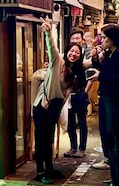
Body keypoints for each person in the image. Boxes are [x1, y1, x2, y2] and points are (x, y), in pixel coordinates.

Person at [32, 17, 85, 184]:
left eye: (77, 53)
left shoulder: (74, 73)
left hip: (53, 109)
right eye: (72, 51)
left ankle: (49, 168)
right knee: (41, 140)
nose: (74, 54)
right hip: (42, 106)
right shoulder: (58, 62)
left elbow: (66, 94)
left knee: (49, 140)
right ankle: (40, 172)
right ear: (67, 50)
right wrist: (48, 31)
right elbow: (51, 46)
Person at [88, 24, 119, 186]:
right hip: (107, 100)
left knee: (115, 140)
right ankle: (115, 177)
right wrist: (96, 59)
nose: (102, 40)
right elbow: (105, 71)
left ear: (113, 39)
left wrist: (101, 76)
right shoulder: (112, 53)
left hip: (114, 102)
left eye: (105, 37)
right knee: (109, 138)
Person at [64, 27, 92, 158]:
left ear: (82, 40)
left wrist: (85, 92)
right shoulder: (66, 61)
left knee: (82, 123)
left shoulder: (83, 61)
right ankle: (73, 147)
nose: (75, 40)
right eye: (73, 38)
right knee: (70, 123)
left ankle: (82, 149)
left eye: (78, 38)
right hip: (68, 97)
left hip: (80, 95)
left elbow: (92, 72)